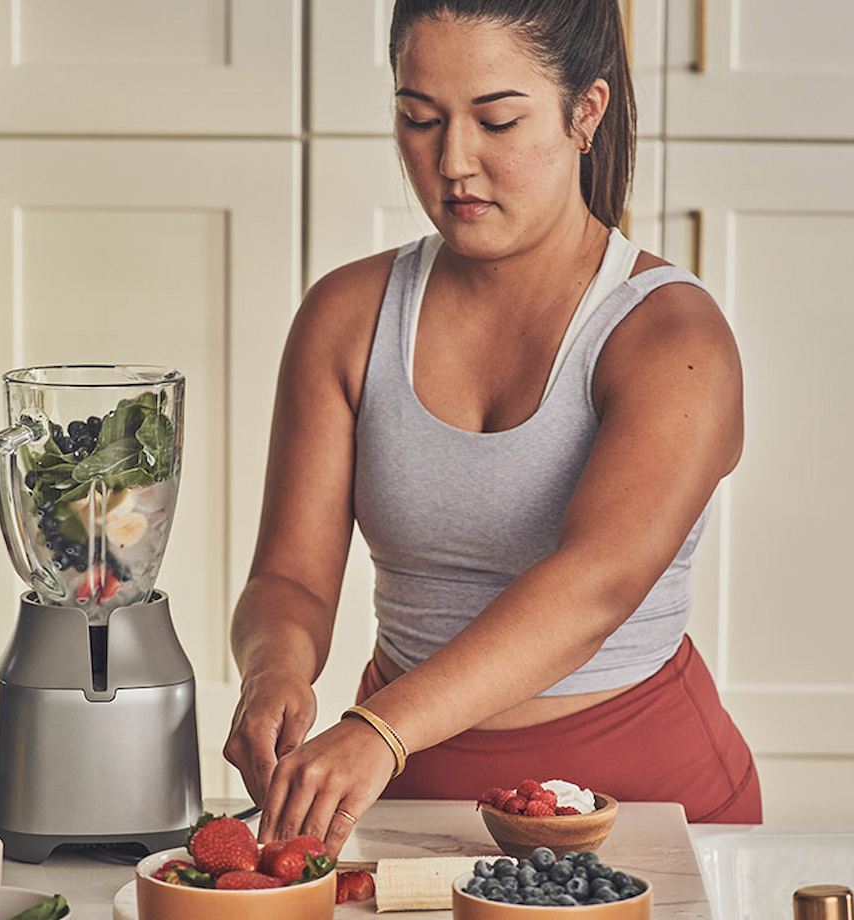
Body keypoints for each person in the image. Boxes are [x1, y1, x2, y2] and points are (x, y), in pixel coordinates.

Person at [223, 0, 762, 855]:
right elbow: (290, 576)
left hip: (647, 801)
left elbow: (594, 589)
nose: (453, 163)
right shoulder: (347, 314)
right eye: (418, 119)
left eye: (498, 120)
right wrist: (273, 671)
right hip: (399, 799)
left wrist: (383, 729)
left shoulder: (671, 337)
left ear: (586, 112)